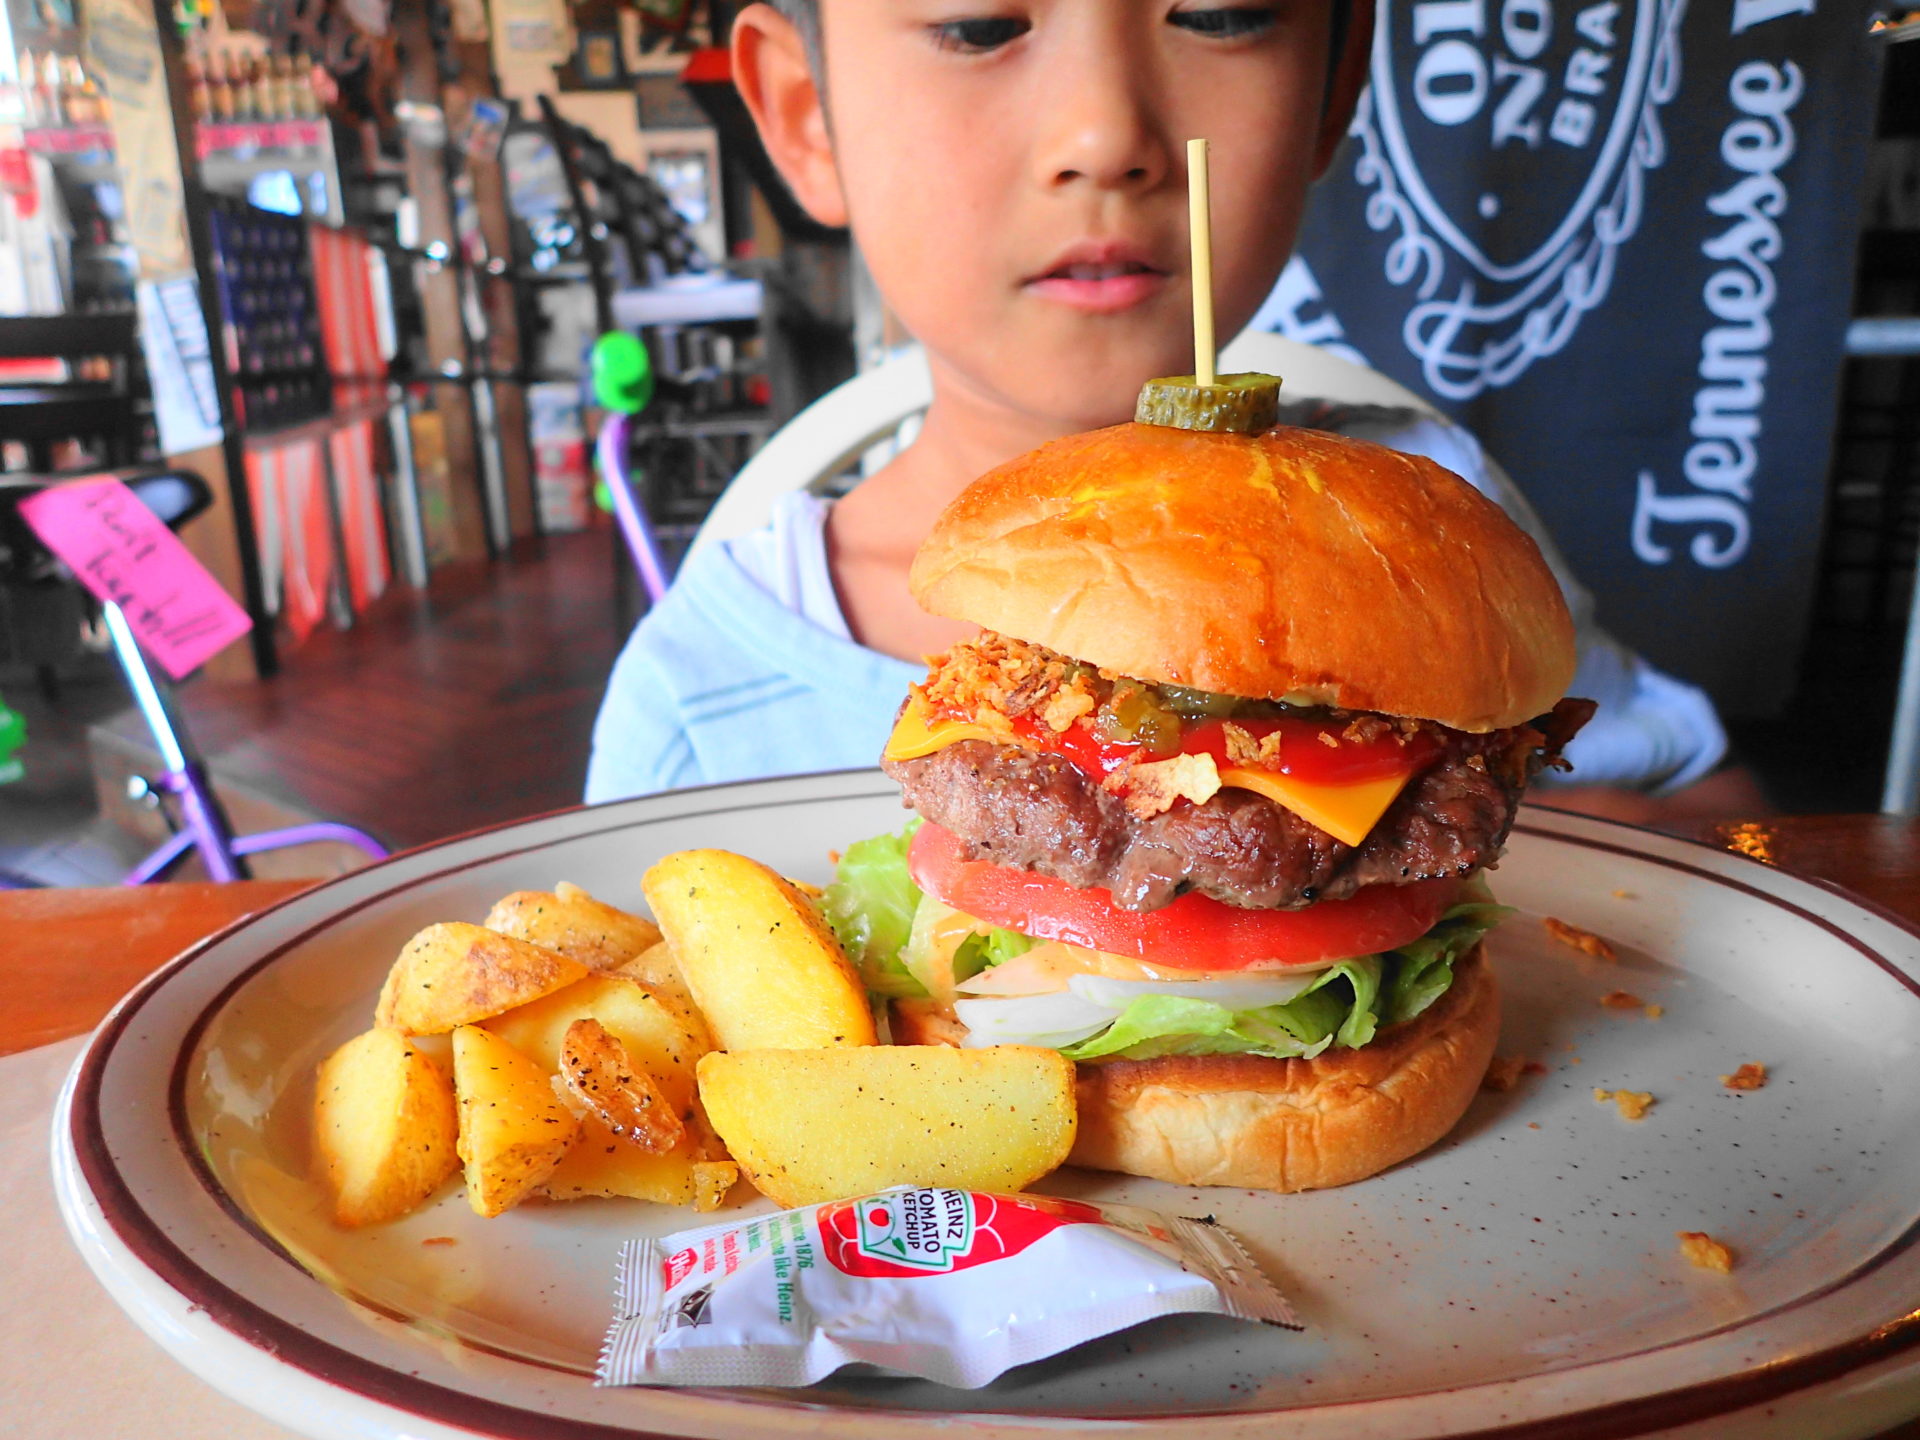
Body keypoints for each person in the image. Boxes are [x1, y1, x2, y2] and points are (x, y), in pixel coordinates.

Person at [586, 0, 1761, 823]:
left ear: (1332, 95)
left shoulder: (1430, 540)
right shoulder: (696, 696)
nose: (1108, 136)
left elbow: (1712, 804)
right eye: (978, 27)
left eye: (1225, 11)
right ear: (804, 113)